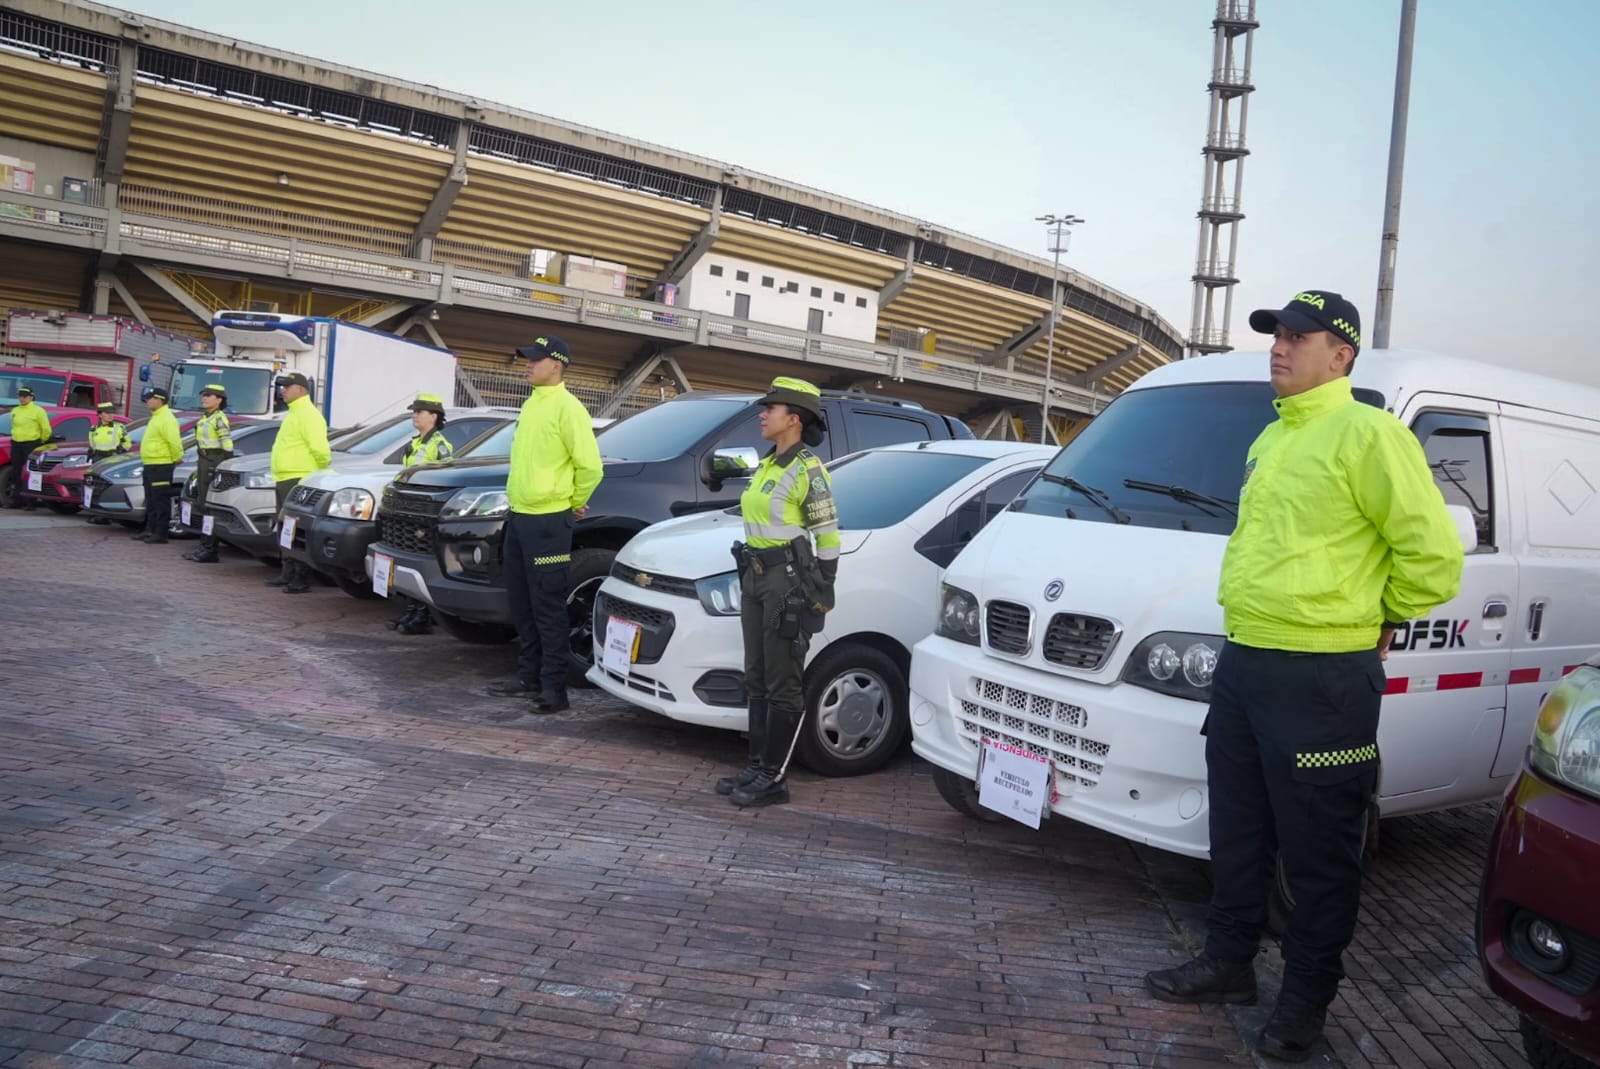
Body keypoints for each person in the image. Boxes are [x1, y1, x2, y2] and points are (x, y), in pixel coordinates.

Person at [1143, 290, 1463, 1061]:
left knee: (1318, 851)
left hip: (1323, 677)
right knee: (1239, 827)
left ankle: (1305, 998)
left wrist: (1381, 617)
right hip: (1247, 660)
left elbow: (1434, 558)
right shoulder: (1271, 440)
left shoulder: (1371, 435)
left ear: (1341, 354)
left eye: (1297, 336)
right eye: (1276, 336)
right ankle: (1228, 963)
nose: (1279, 349)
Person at [716, 376, 840, 809]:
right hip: (754, 575)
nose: (763, 414)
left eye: (771, 409)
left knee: (784, 679)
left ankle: (774, 777)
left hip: (787, 582)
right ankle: (755, 766)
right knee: (757, 675)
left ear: (795, 419)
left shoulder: (809, 470)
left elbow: (827, 534)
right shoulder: (770, 464)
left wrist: (822, 590)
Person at [486, 335, 602, 712]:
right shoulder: (532, 405)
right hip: (520, 516)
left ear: (557, 364)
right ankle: (528, 676)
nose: (527, 364)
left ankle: (554, 690)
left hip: (549, 522)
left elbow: (590, 466)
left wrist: (572, 504)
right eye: (526, 359)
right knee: (521, 603)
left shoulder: (569, 408)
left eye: (534, 360)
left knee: (547, 606)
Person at [387, 393, 454, 634]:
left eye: (419, 411)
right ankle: (409, 612)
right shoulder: (413, 444)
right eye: (413, 411)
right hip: (406, 511)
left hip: (424, 516)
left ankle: (423, 617)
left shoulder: (441, 446)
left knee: (422, 564)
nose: (414, 415)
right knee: (405, 562)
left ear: (433, 416)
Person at [265, 372, 330, 594]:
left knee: (295, 529)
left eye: (287, 386)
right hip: (285, 477)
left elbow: (321, 450)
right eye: (282, 387)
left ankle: (300, 576)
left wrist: (315, 474)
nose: (283, 390)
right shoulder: (294, 413)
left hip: (298, 478)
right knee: (285, 528)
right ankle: (288, 571)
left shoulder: (308, 415)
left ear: (301, 390)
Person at [183, 384, 234, 563]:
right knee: (202, 505)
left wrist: (223, 464)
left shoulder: (219, 418)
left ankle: (210, 549)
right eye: (204, 395)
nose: (204, 398)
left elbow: (227, 443)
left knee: (208, 506)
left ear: (219, 400)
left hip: (213, 460)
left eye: (209, 395)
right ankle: (204, 545)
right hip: (204, 460)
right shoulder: (206, 418)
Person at [133, 386, 183, 543]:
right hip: (150, 464)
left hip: (161, 465)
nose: (147, 401)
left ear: (159, 400)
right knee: (151, 499)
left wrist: (176, 458)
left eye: (150, 398)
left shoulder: (167, 418)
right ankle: (150, 530)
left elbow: (174, 442)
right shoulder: (156, 417)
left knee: (160, 500)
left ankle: (160, 533)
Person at [6, 385, 54, 510]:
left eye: (25, 396)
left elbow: (46, 429)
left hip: (31, 443)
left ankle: (31, 501)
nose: (22, 399)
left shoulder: (38, 411)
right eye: (20, 396)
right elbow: (14, 426)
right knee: (16, 471)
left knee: (31, 472)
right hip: (16, 443)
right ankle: (17, 500)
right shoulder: (15, 410)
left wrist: (41, 441)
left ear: (31, 397)